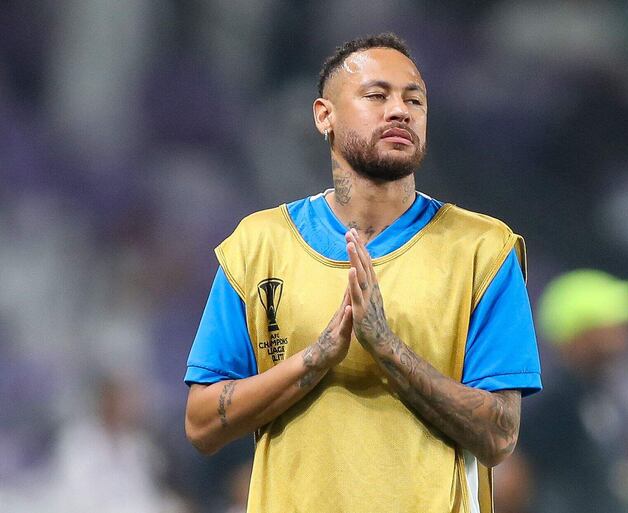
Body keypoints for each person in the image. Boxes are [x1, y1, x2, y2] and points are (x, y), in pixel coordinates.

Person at [184, 33, 542, 513]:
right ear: (324, 116)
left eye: (414, 100)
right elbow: (202, 424)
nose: (400, 111)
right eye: (377, 95)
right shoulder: (258, 245)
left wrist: (389, 350)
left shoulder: (482, 250)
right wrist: (315, 360)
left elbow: (499, 436)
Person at [512, 269, 628, 513]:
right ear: (581, 333)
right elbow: (514, 480)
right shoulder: (554, 403)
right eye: (613, 325)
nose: (624, 336)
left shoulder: (600, 397)